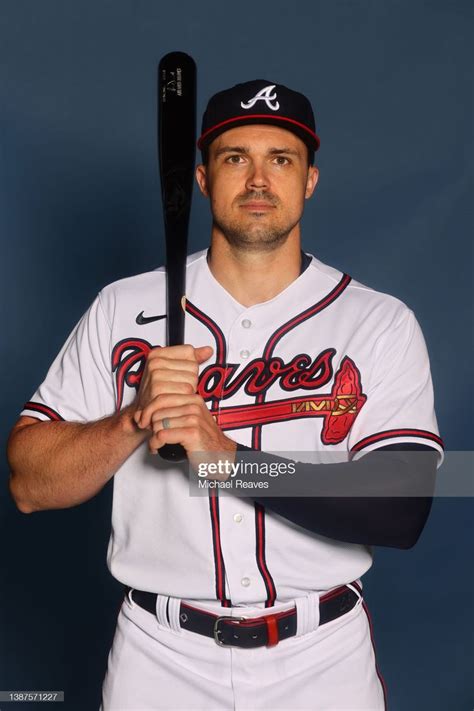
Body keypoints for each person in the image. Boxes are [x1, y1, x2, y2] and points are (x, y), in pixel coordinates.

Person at [7, 79, 443, 710]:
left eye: (281, 159)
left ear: (310, 181)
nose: (259, 179)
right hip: (159, 657)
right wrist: (133, 418)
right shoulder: (122, 307)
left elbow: (404, 509)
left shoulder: (376, 321)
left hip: (322, 660)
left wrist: (224, 459)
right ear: (204, 180)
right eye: (237, 158)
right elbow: (27, 486)